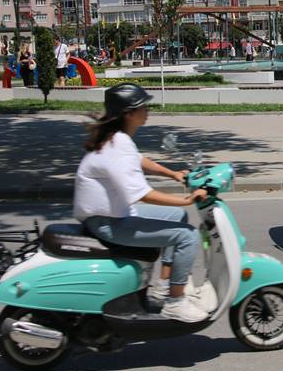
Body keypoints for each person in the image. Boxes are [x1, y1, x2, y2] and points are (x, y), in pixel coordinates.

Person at [73, 83, 210, 323]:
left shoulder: (116, 138)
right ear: (129, 113)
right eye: (143, 106)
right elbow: (142, 194)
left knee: (177, 219)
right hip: (109, 223)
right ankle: (175, 303)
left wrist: (173, 173)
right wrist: (185, 200)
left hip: (113, 215)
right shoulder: (118, 144)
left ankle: (164, 285)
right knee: (187, 236)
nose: (147, 110)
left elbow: (139, 160)